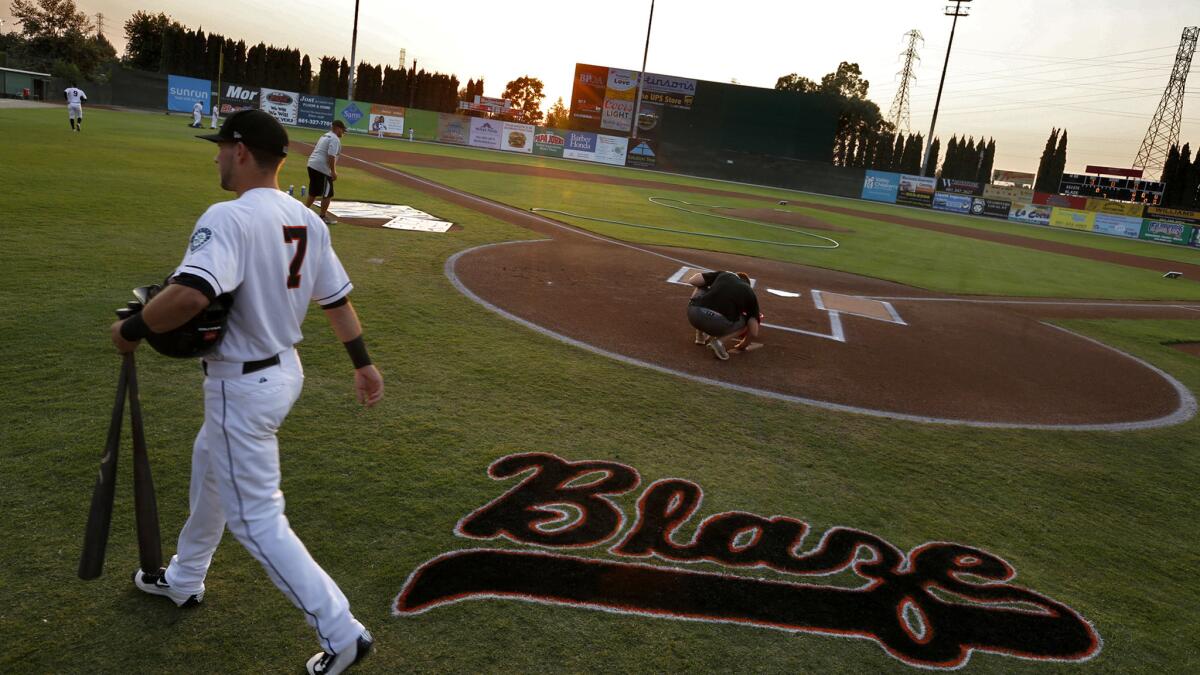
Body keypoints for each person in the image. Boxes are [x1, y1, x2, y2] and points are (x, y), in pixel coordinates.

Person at [110, 109, 383, 675]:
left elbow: (189, 295)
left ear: (240, 151)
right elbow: (336, 302)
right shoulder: (307, 217)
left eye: (219, 147)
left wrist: (131, 329)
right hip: (283, 372)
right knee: (209, 462)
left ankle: (342, 633)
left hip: (243, 383)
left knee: (257, 518)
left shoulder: (228, 216)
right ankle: (186, 577)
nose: (214, 156)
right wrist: (363, 364)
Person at [685, 270, 762, 361]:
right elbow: (754, 332)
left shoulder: (724, 275)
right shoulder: (750, 293)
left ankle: (700, 336)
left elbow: (693, 281)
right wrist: (742, 346)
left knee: (701, 286)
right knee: (748, 320)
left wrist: (713, 280)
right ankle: (719, 342)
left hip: (694, 315)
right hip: (719, 326)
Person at [305, 120, 345, 225]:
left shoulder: (324, 135)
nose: (343, 133)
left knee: (313, 192)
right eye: (342, 130)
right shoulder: (335, 139)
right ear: (337, 128)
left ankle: (302, 213)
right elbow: (331, 156)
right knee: (328, 193)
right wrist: (333, 171)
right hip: (321, 168)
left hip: (311, 164)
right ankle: (322, 216)